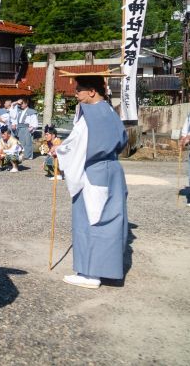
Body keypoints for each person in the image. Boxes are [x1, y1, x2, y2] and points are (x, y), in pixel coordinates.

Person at [55, 72, 128, 289]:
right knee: (109, 220)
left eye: (79, 90)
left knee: (89, 219)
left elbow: (78, 144)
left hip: (93, 170)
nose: (75, 93)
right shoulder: (110, 111)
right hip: (112, 169)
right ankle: (106, 269)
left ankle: (89, 273)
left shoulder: (91, 114)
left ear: (92, 91)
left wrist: (59, 150)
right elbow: (122, 140)